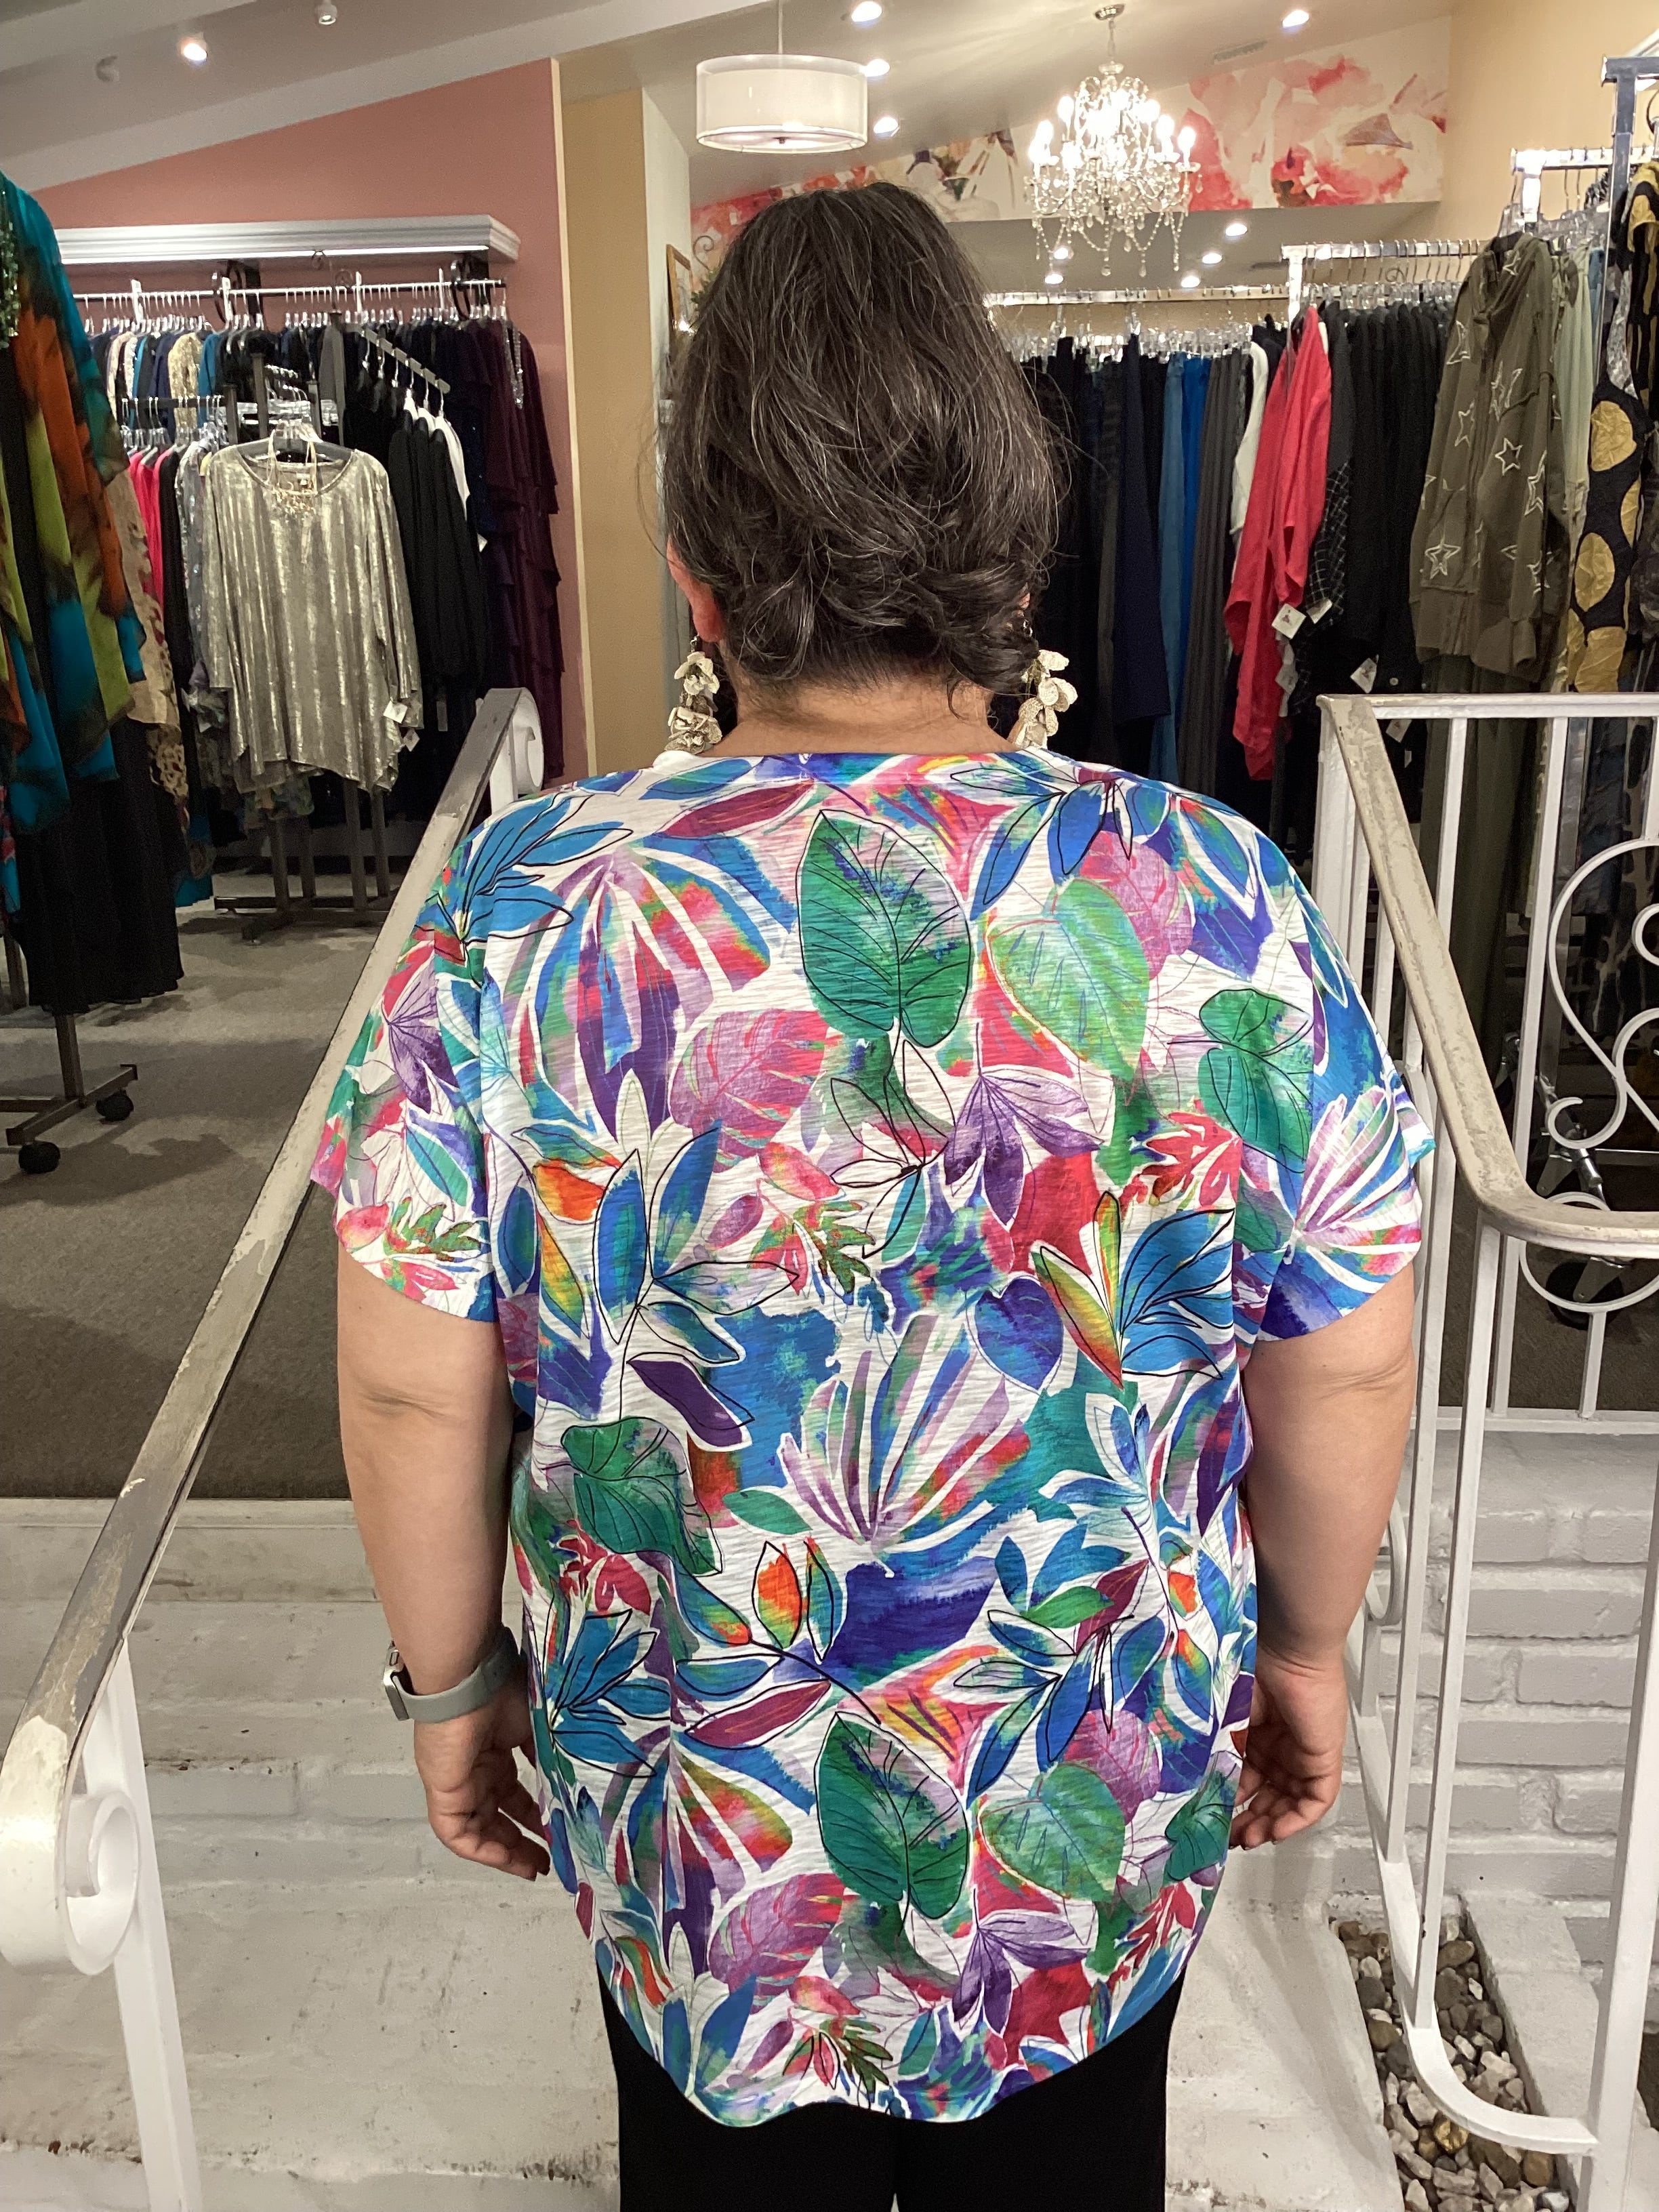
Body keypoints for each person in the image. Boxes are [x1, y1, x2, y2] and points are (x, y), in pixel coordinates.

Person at [314, 183, 1428, 2209]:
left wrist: (456, 1685)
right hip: (1082, 1799)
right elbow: (1342, 1356)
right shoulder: (1214, 898)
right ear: (1012, 540)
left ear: (695, 560)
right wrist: (1307, 1647)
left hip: (700, 1813)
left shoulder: (526, 907)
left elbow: (407, 1379)